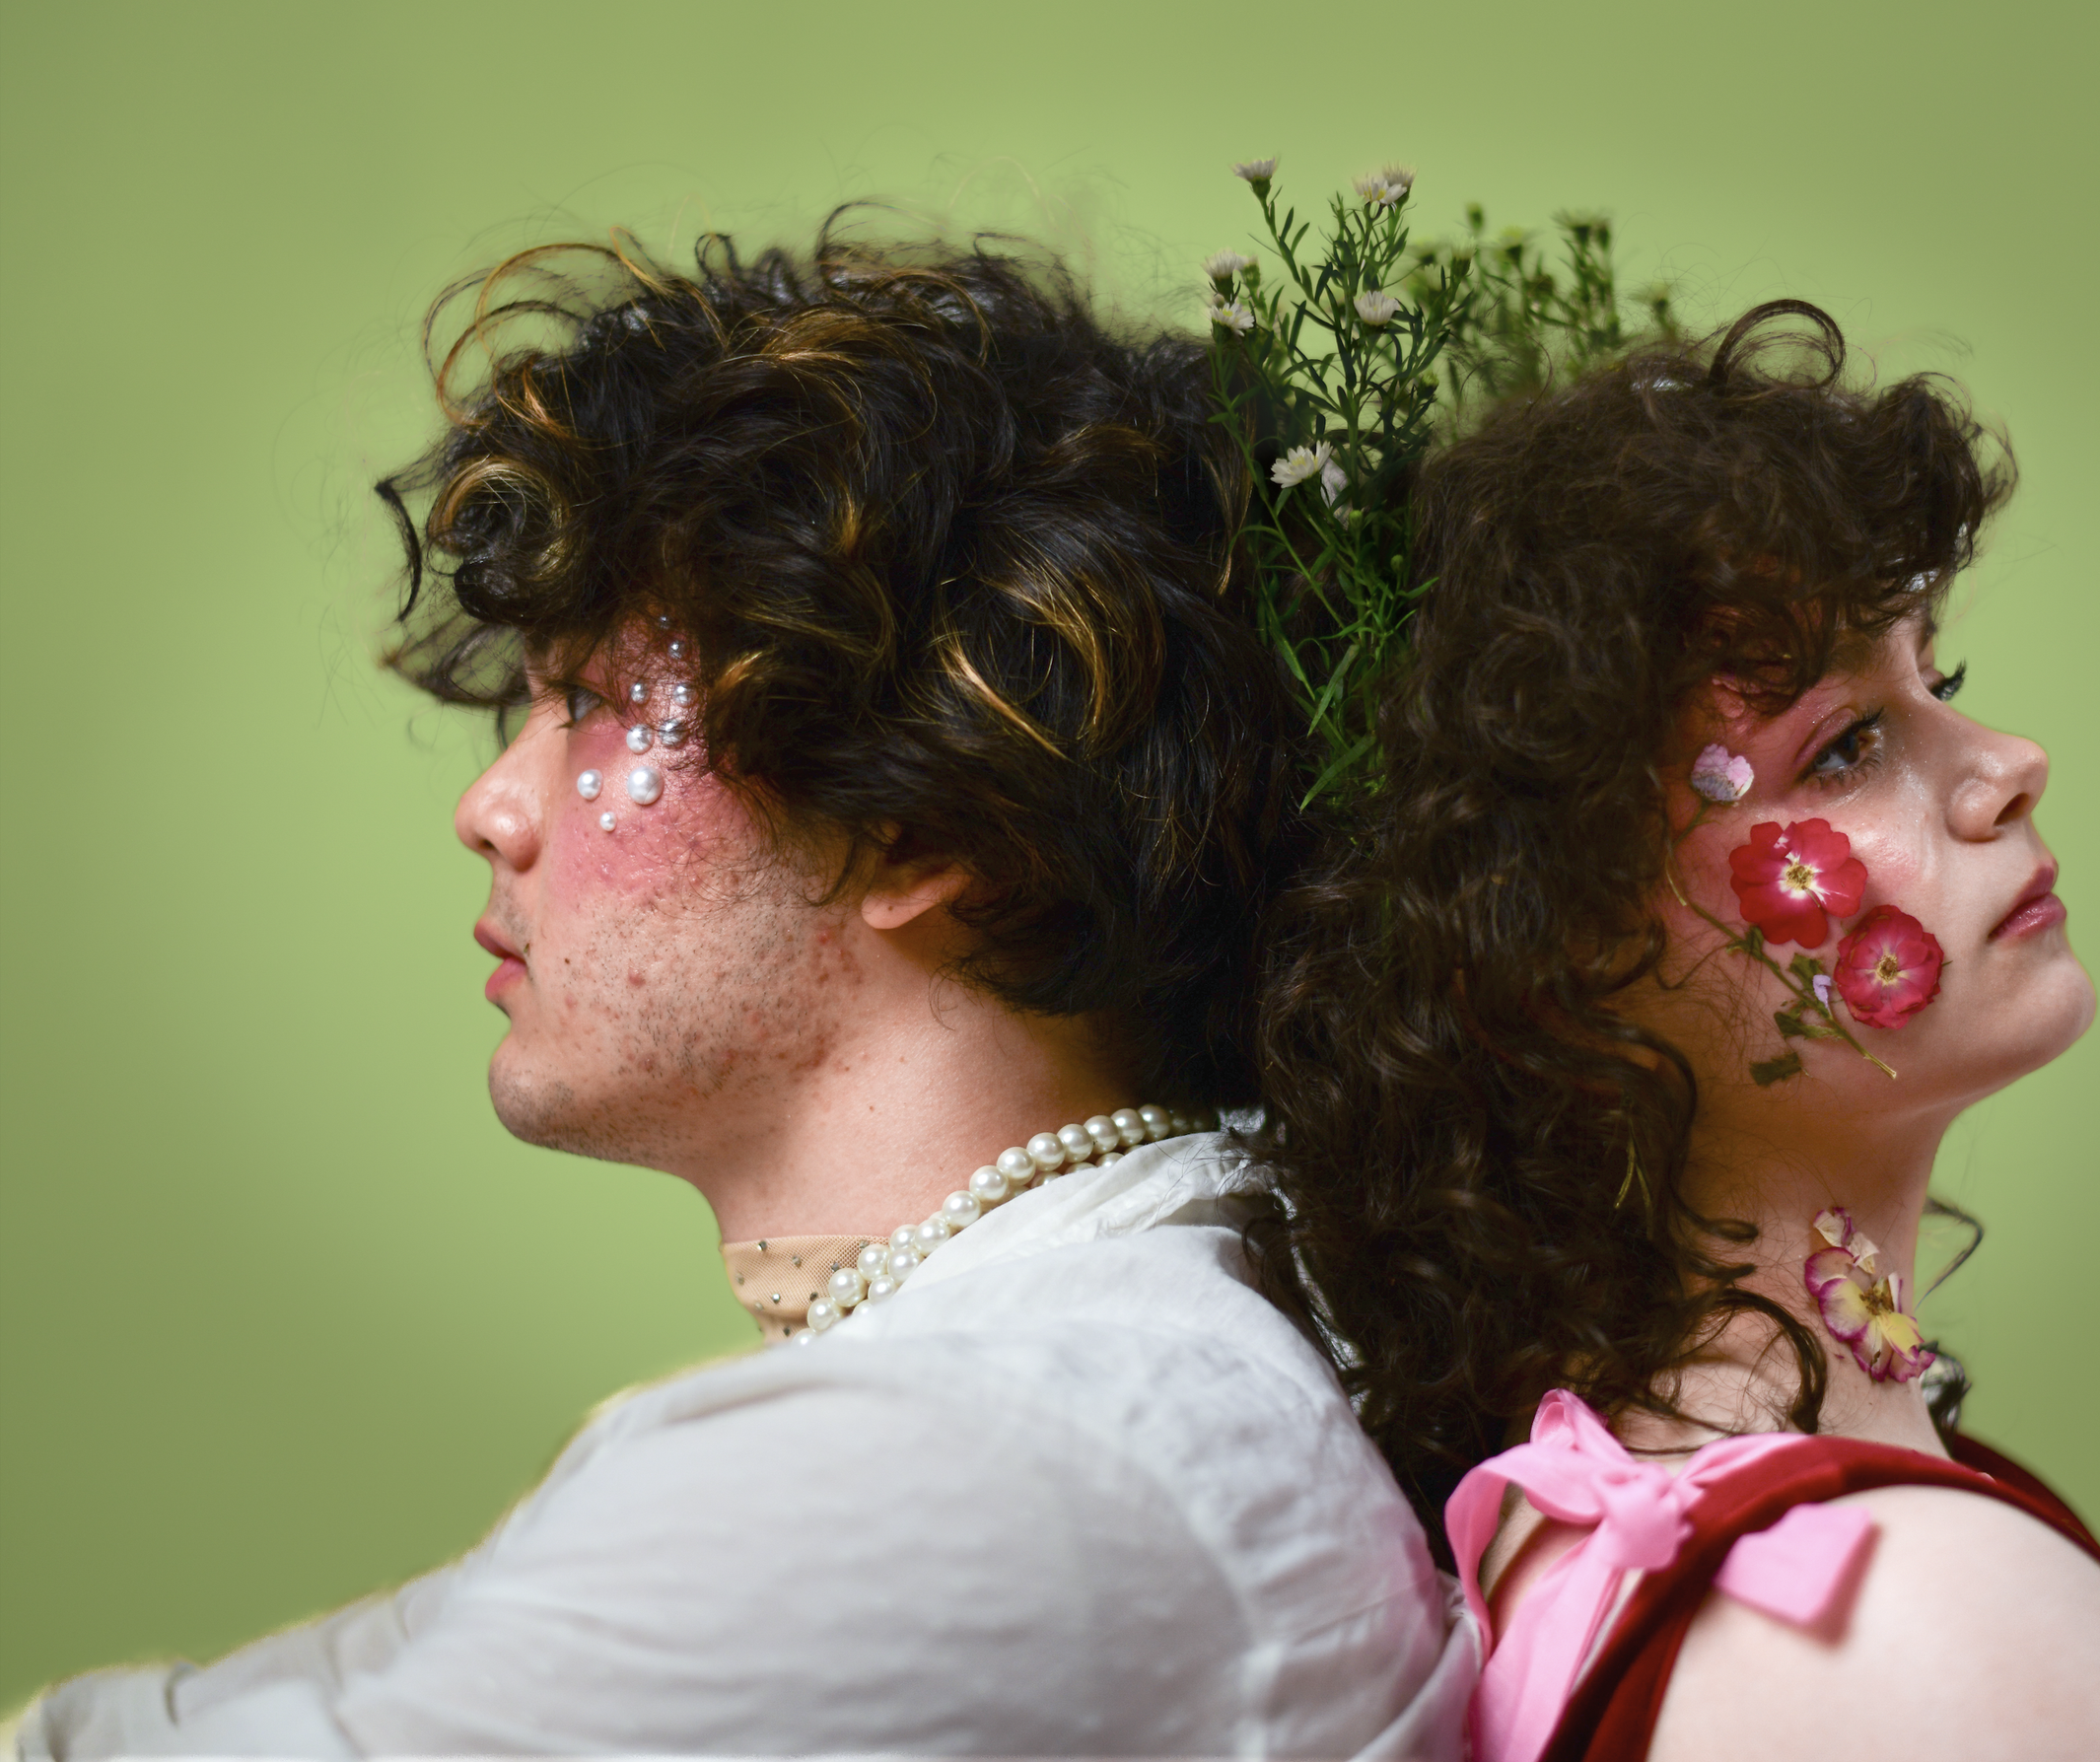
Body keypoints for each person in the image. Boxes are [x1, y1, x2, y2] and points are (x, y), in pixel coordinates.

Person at [15, 229, 1469, 1758]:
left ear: (924, 818)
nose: (493, 811)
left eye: (590, 702)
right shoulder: (1070, 1369)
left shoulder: (990, 1462)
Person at [1247, 301, 2100, 1760]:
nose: (2007, 765)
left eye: (1941, 681)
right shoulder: (1903, 1625)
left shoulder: (1644, 1515)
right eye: (1845, 745)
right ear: (1551, 946)